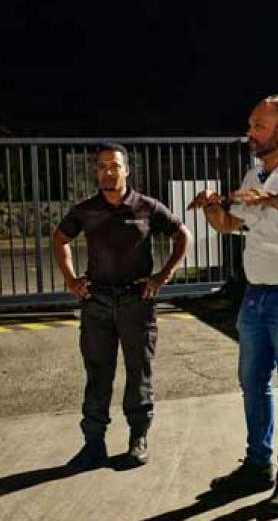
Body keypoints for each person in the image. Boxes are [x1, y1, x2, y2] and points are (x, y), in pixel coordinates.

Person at [187, 96, 278, 516]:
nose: (249, 132)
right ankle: (258, 466)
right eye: (251, 125)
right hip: (255, 296)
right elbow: (232, 224)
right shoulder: (254, 171)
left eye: (258, 125)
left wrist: (277, 200)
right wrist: (214, 208)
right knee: (252, 382)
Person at [53, 143, 191, 470]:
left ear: (126, 170)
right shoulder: (85, 210)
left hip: (136, 302)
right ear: (96, 172)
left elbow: (182, 234)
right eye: (101, 166)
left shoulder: (146, 207)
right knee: (97, 374)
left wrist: (163, 275)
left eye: (114, 166)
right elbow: (60, 239)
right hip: (96, 302)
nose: (107, 172)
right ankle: (93, 444)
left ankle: (138, 439)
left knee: (138, 371)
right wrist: (72, 279)